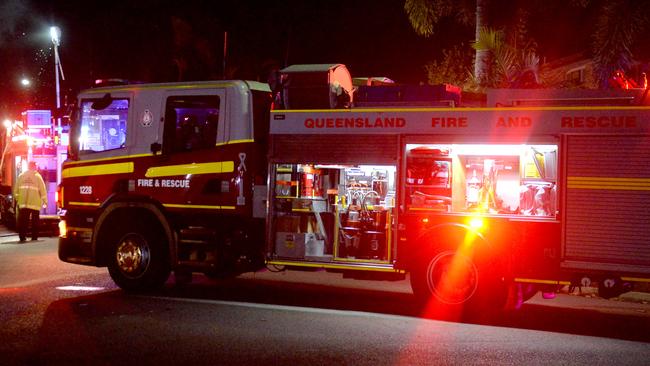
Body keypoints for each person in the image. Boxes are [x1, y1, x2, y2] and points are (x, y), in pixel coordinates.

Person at [14, 161, 47, 242]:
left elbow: (16, 190)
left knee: (23, 221)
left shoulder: (21, 176)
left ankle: (22, 237)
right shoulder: (38, 177)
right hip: (34, 204)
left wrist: (18, 199)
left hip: (23, 203)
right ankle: (34, 237)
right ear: (34, 167)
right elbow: (43, 190)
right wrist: (45, 201)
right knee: (35, 222)